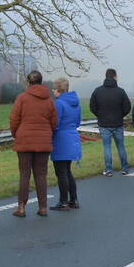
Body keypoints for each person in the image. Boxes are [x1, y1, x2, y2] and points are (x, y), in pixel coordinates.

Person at [9, 70, 58, 217]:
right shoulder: (49, 100)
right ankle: (43, 207)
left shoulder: (22, 98)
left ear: (28, 82)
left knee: (24, 174)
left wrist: (16, 134)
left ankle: (21, 207)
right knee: (41, 174)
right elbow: (54, 122)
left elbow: (14, 119)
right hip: (43, 141)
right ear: (41, 82)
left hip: (24, 140)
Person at [90, 68, 131, 176]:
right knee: (121, 146)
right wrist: (120, 115)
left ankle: (108, 170)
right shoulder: (121, 91)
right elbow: (127, 107)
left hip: (104, 124)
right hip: (118, 123)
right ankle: (125, 168)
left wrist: (100, 115)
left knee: (107, 147)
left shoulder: (97, 91)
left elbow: (92, 107)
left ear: (105, 76)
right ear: (115, 77)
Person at [50, 78, 82, 210]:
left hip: (61, 140)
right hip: (72, 138)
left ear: (57, 90)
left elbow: (55, 123)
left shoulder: (59, 103)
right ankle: (73, 199)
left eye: (54, 88)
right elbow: (78, 122)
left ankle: (63, 201)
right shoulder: (76, 103)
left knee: (61, 172)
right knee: (67, 171)